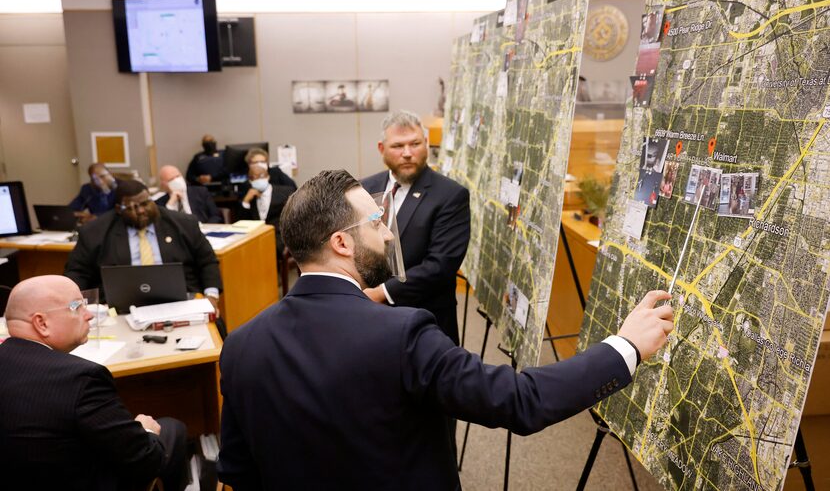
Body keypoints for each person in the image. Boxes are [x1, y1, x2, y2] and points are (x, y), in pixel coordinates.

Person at [217, 169, 675, 490]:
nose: (390, 235)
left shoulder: (240, 345)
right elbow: (520, 401)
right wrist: (626, 346)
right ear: (341, 243)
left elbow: (237, 472)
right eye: (376, 223)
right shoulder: (401, 334)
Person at [0, 275, 188, 491]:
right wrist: (147, 433)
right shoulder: (82, 378)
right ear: (41, 323)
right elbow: (143, 460)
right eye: (77, 307)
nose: (88, 315)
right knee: (172, 429)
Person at [361, 110, 470, 344]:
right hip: (369, 317)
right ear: (381, 149)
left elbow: (440, 266)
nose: (408, 153)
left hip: (425, 321)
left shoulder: (451, 195)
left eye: (415, 144)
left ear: (427, 144)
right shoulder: (365, 189)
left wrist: (381, 293)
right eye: (398, 146)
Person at [64, 179, 222, 307]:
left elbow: (207, 261)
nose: (141, 211)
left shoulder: (183, 223)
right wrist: (78, 305)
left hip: (182, 301)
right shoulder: (95, 232)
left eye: (145, 203)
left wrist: (212, 296)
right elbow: (77, 272)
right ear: (119, 209)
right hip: (117, 308)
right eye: (133, 207)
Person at [238, 163, 294, 254]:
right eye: (253, 177)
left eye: (261, 176)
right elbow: (242, 222)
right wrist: (246, 202)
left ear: (268, 177)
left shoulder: (285, 192)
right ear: (250, 181)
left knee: (265, 249)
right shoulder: (248, 195)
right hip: (255, 236)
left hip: (277, 236)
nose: (257, 179)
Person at [155, 164, 223, 223]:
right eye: (171, 179)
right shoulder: (159, 203)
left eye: (178, 176)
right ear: (163, 185)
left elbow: (216, 216)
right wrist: (170, 204)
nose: (177, 181)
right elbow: (162, 225)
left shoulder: (200, 192)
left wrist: (205, 228)